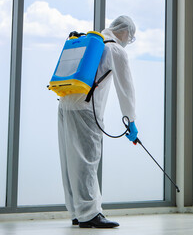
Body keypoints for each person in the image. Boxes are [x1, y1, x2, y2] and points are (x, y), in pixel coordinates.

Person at [57, 15, 138, 228]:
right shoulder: (116, 50)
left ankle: (76, 211)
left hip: (65, 105)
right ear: (126, 33)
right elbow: (126, 89)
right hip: (85, 110)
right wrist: (130, 121)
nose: (129, 40)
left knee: (70, 162)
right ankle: (90, 214)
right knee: (87, 162)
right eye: (131, 36)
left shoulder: (93, 43)